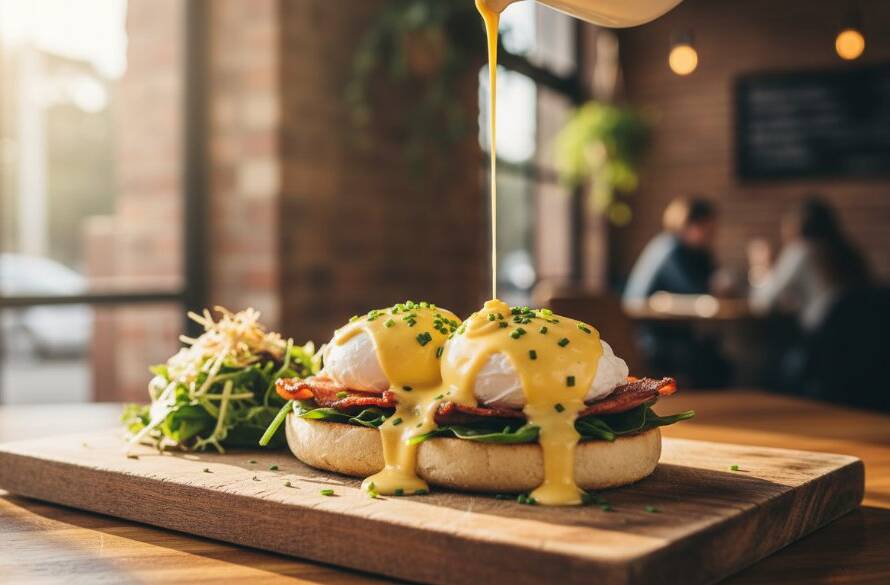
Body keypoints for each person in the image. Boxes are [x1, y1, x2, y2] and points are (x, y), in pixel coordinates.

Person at [751, 196, 889, 410]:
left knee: (766, 358)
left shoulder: (801, 251)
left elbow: (763, 302)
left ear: (795, 226)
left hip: (822, 346)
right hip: (864, 351)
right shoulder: (847, 252)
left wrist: (761, 269)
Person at [623, 196, 731, 388]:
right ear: (690, 225)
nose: (712, 235)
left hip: (679, 332)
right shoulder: (669, 249)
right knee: (710, 365)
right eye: (708, 228)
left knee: (719, 362)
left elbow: (713, 285)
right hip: (652, 336)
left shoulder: (699, 252)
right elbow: (697, 290)